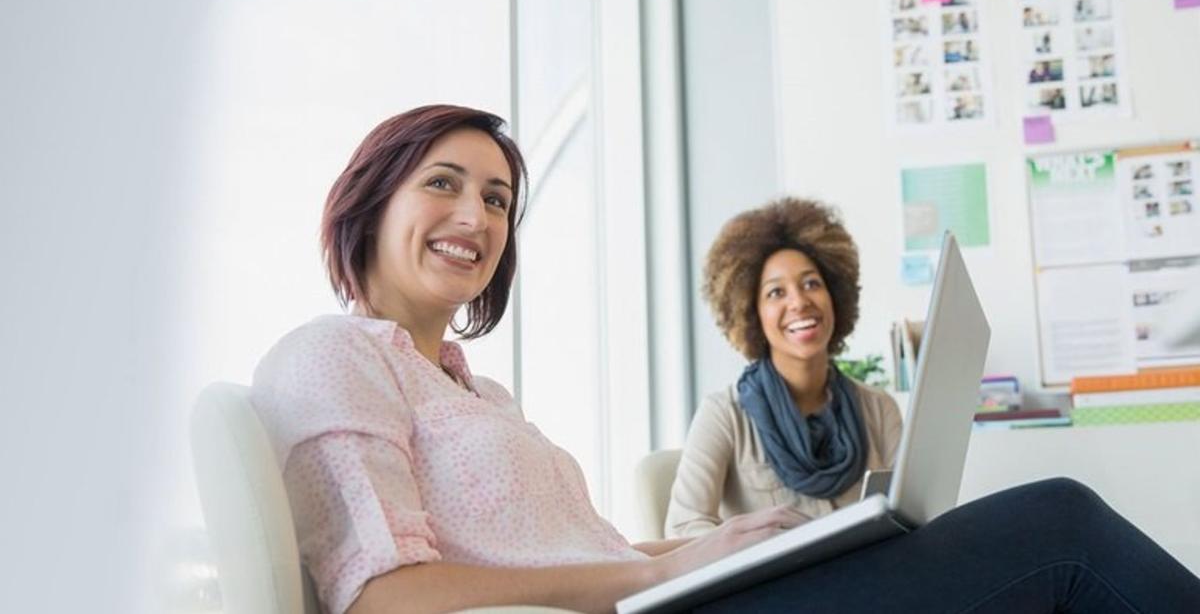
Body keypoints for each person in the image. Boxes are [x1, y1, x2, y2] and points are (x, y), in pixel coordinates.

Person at [251, 105, 1200, 614]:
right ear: (368, 202)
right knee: (1061, 528)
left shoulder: (477, 390)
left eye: (498, 199)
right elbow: (383, 599)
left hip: (661, 601)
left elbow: (600, 549)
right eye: (446, 185)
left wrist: (758, 540)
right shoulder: (329, 356)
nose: (478, 217)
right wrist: (663, 572)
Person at [665, 199, 903, 537]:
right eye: (776, 292)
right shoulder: (724, 415)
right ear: (751, 313)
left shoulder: (879, 409)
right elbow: (682, 527)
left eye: (811, 284)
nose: (799, 301)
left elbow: (912, 513)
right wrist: (758, 545)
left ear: (835, 296)